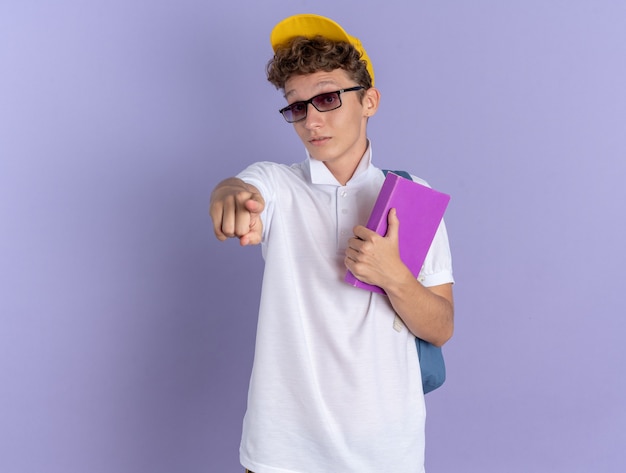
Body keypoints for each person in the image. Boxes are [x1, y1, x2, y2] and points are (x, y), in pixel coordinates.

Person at [210, 13, 454, 473]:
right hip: (283, 454)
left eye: (327, 98)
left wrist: (393, 276)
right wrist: (231, 198)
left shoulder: (411, 197)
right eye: (296, 106)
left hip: (388, 454)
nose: (311, 120)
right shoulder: (278, 184)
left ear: (369, 101)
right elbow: (243, 189)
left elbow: (440, 326)